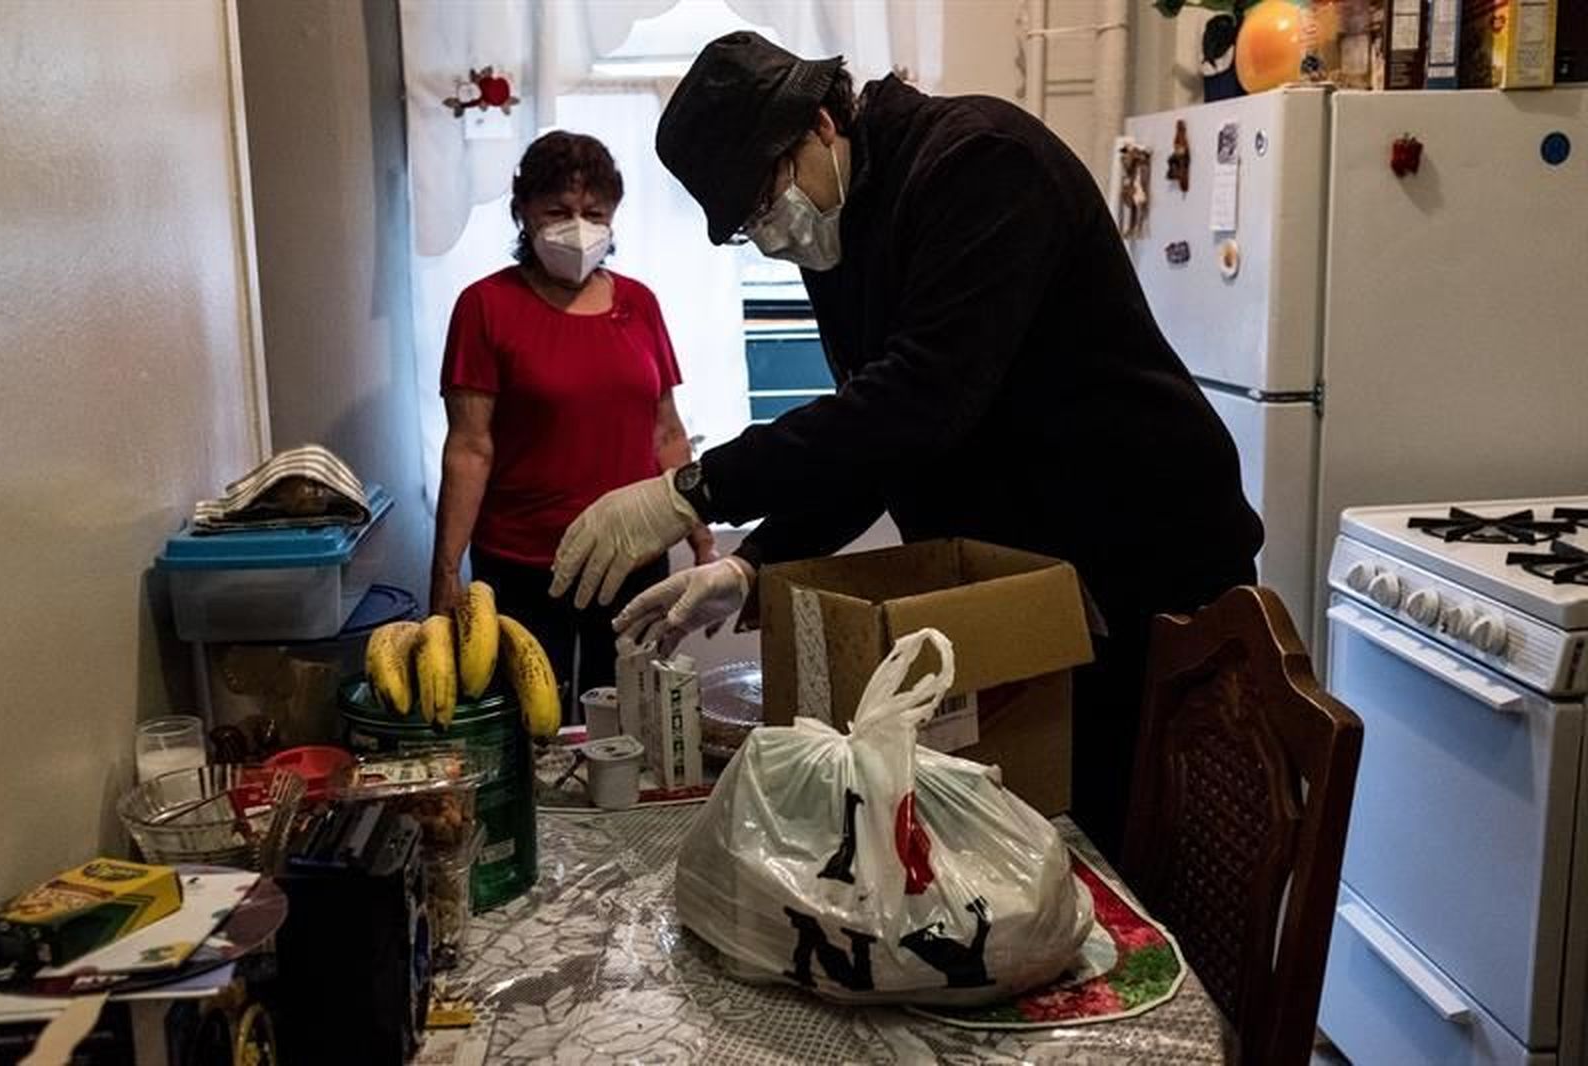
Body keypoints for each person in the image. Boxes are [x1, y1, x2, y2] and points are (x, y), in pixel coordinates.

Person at [549, 35, 1262, 857]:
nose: (772, 233)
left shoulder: (981, 165)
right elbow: (874, 437)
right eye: (747, 225)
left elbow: (922, 402)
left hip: (1147, 568)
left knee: (1131, 852)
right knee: (1018, 850)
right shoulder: (842, 224)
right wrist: (753, 564)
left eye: (766, 196)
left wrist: (693, 489)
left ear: (821, 122)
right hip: (1029, 583)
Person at [432, 130, 713, 710]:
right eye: (558, 211)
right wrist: (445, 572)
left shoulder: (639, 304)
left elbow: (667, 432)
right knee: (533, 728)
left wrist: (703, 541)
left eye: (594, 212)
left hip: (634, 557)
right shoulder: (485, 306)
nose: (577, 226)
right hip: (525, 565)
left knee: (635, 723)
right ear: (522, 212)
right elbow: (469, 447)